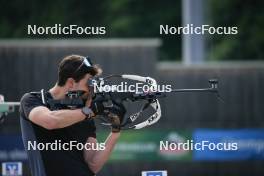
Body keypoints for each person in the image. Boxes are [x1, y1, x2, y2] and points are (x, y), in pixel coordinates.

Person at [19, 55, 126, 176]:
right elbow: (51, 121)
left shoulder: (83, 113)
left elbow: (92, 164)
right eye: (88, 84)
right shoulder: (33, 100)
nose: (91, 90)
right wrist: (90, 111)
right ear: (71, 83)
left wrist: (116, 130)